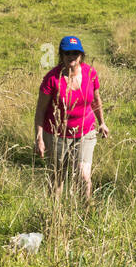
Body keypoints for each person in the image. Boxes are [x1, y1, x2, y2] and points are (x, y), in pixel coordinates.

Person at [34, 35, 109, 199]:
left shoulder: (91, 73)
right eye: (67, 53)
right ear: (61, 55)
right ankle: (54, 217)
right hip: (56, 136)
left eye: (75, 53)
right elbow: (40, 110)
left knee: (83, 177)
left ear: (81, 55)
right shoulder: (51, 79)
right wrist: (39, 137)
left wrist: (102, 123)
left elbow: (96, 100)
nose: (71, 57)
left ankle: (87, 214)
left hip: (85, 132)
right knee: (57, 180)